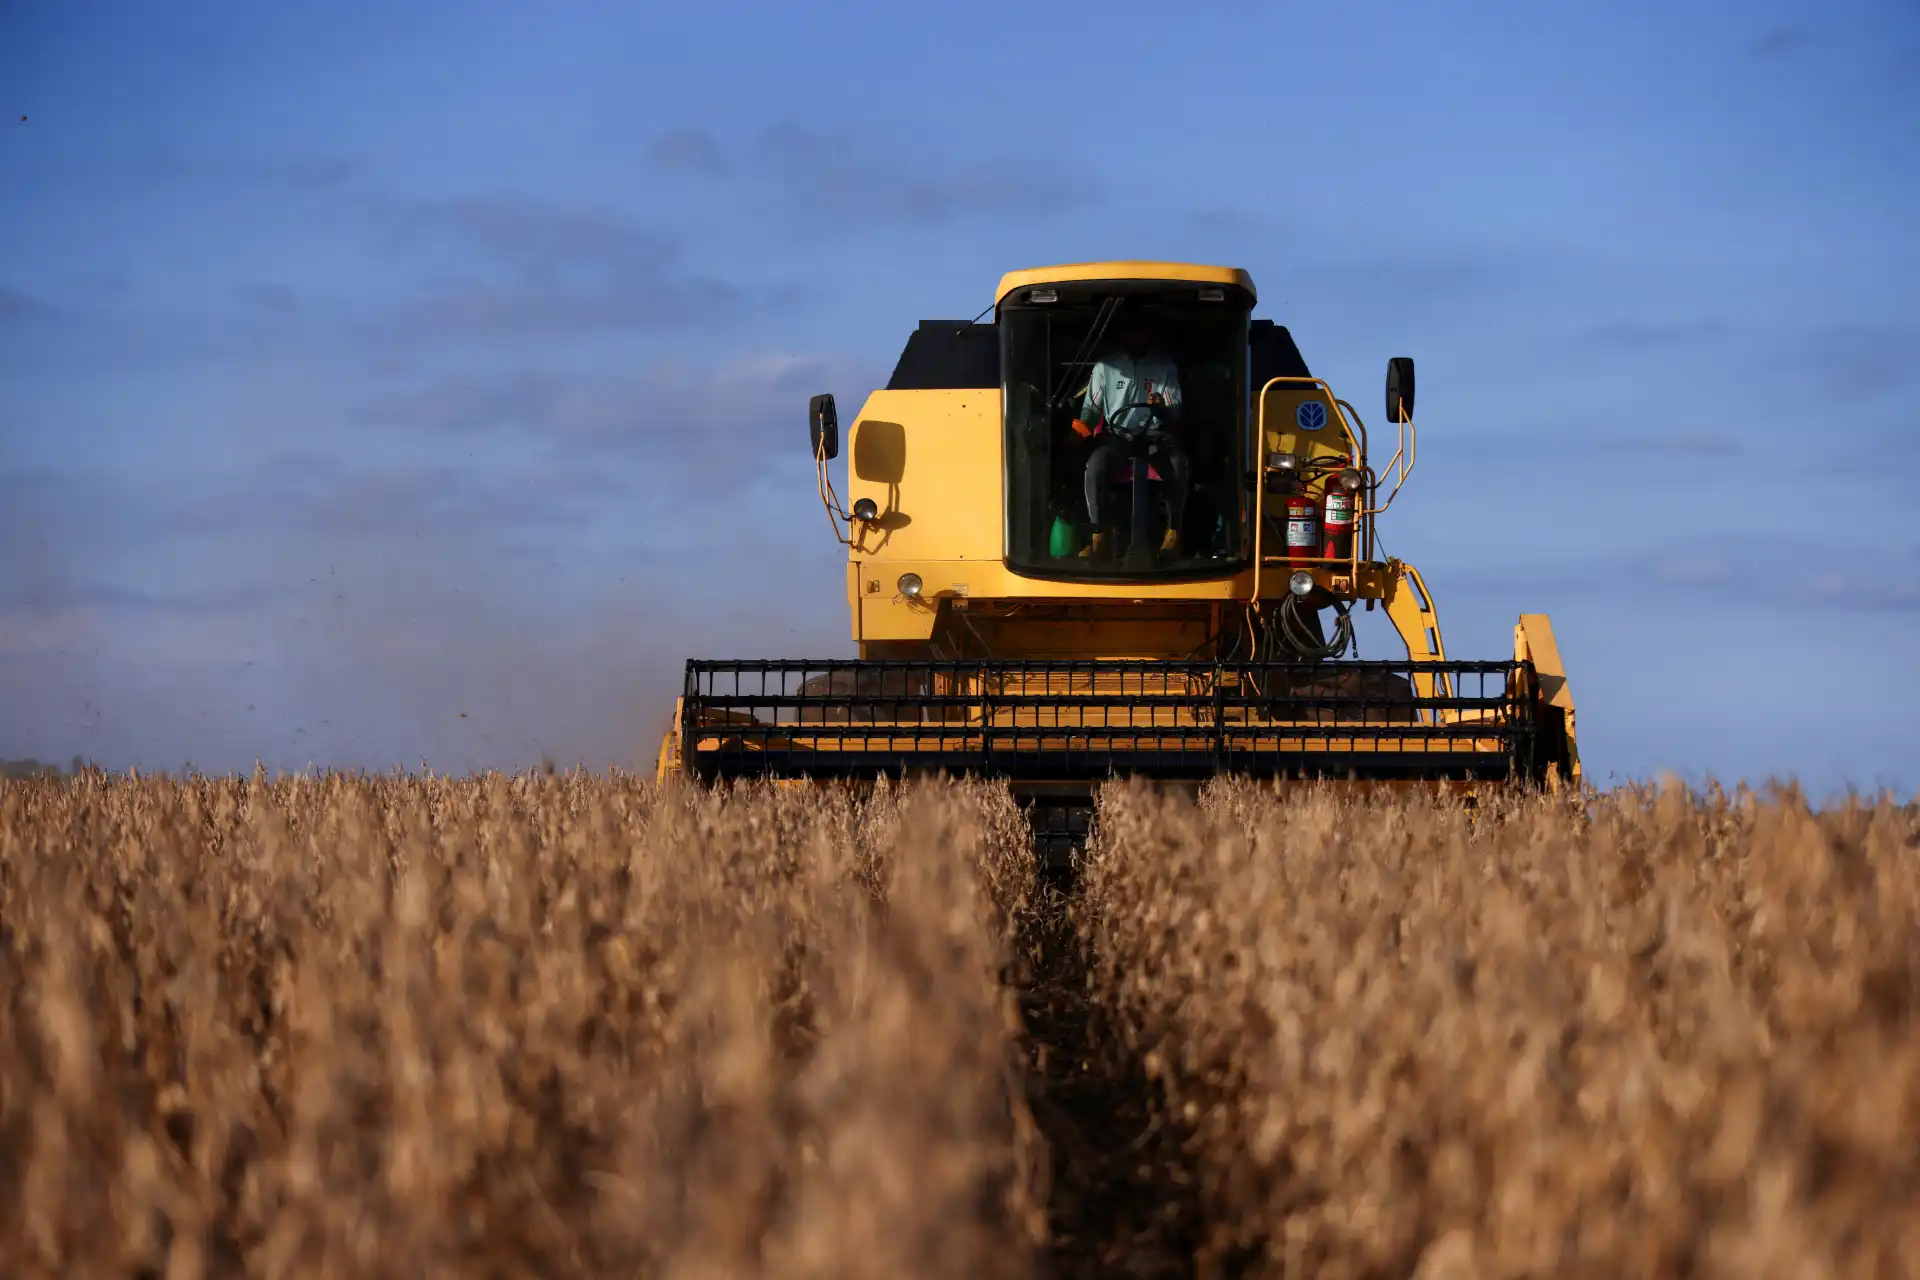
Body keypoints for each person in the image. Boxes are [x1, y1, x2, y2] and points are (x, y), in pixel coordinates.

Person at [1070, 321, 1191, 558]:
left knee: (1178, 466)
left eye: (1141, 330)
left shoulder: (1164, 366)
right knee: (1095, 467)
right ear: (1122, 333)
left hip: (1156, 436)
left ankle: (1173, 533)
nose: (1136, 335)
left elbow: (1174, 408)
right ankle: (1098, 536)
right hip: (1118, 436)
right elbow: (1092, 410)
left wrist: (1161, 408)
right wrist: (1077, 434)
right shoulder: (1105, 366)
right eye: (1131, 330)